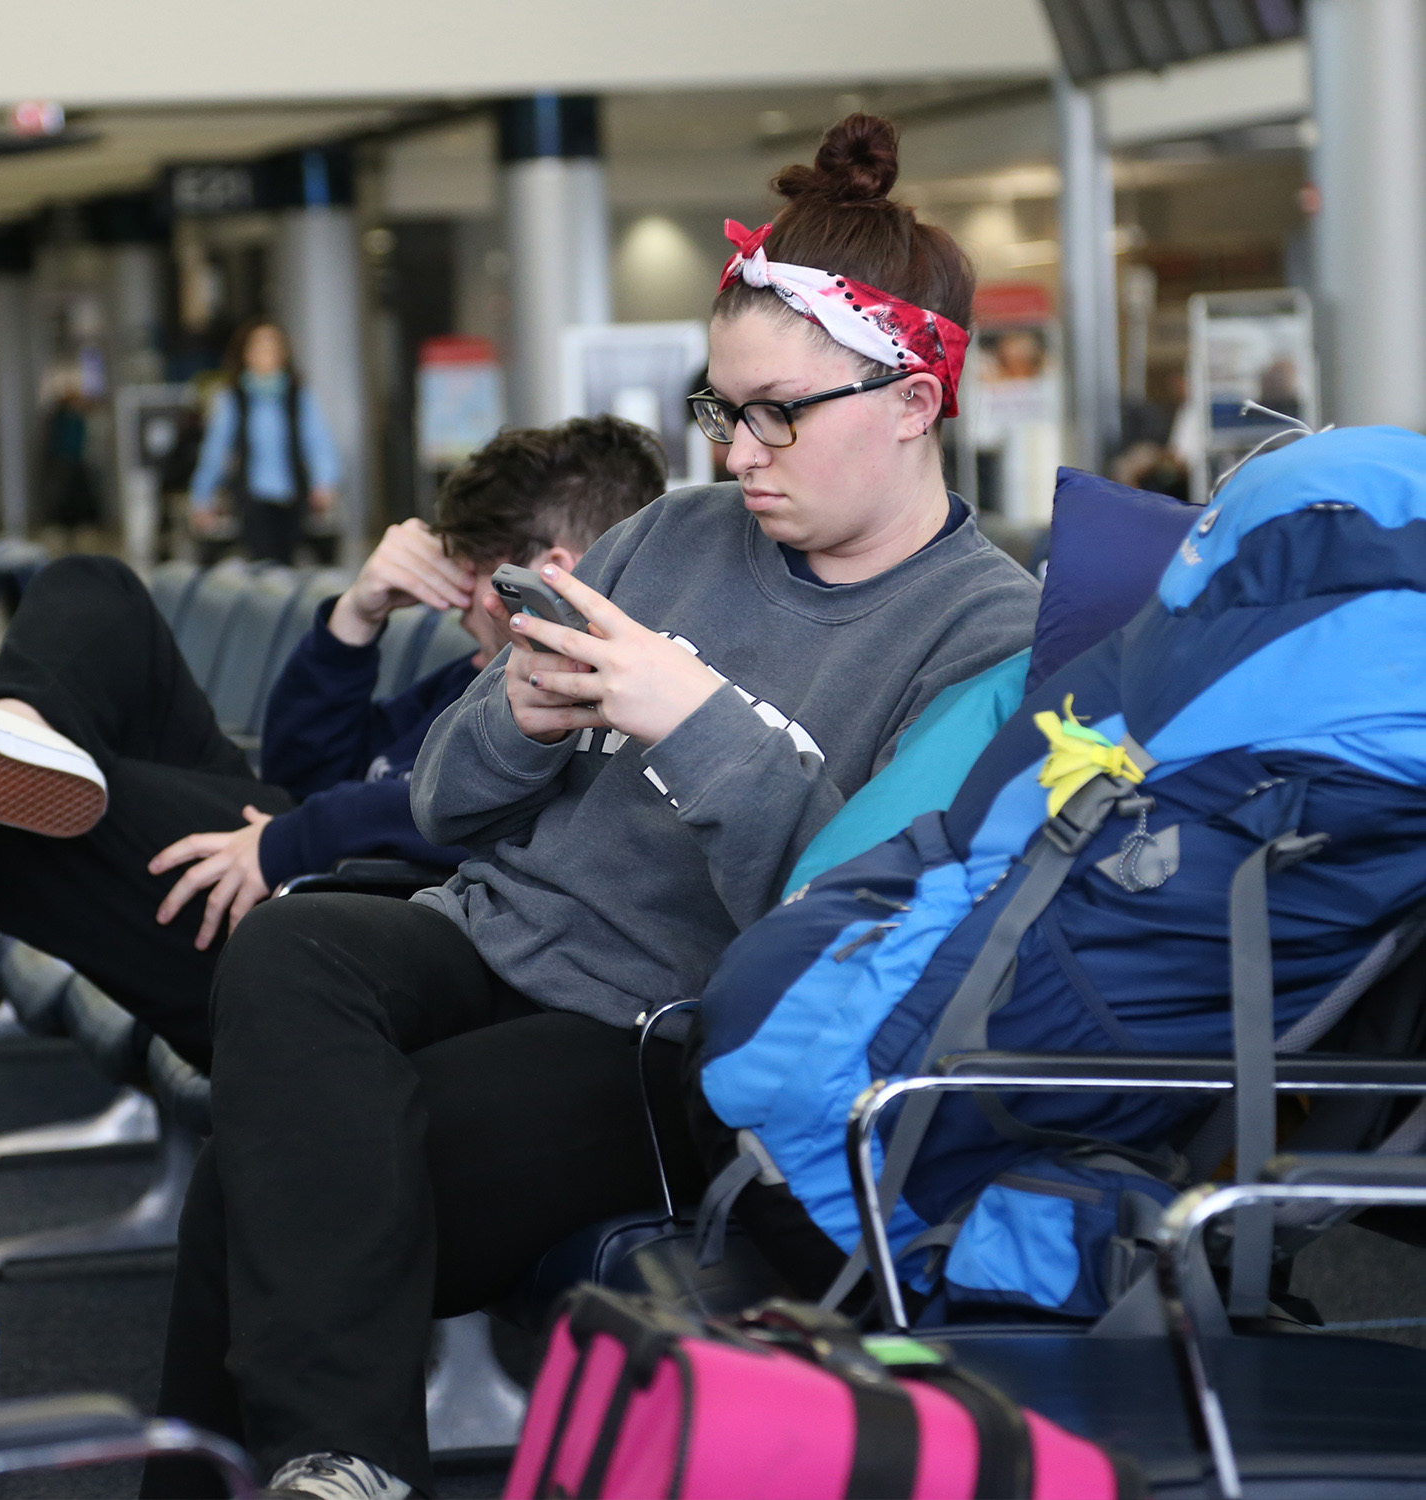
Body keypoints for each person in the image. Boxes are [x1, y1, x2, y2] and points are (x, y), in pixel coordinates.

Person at [141, 114, 1041, 1500]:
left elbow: (869, 928)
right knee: (292, 948)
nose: (739, 454)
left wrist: (695, 721)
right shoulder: (674, 536)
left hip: (662, 1029)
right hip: (493, 932)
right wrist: (517, 717)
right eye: (721, 410)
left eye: (776, 415)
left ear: (914, 400)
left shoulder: (988, 633)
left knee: (284, 1177)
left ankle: (331, 1468)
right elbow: (442, 800)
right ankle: (339, 1469)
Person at [0, 416, 666, 1070]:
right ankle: (26, 727)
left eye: (480, 572)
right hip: (269, 858)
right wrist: (353, 620)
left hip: (324, 926)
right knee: (92, 587)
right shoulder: (471, 679)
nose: (466, 594)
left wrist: (292, 838)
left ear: (556, 571)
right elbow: (302, 771)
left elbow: (454, 812)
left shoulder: (591, 704)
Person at [188, 320, 340, 564]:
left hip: (293, 496)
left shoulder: (297, 396)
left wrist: (325, 482)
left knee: (289, 563)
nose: (266, 355)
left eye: (272, 348)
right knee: (263, 564)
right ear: (246, 354)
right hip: (252, 498)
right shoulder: (233, 399)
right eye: (259, 348)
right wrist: (201, 497)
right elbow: (215, 451)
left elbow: (318, 442)